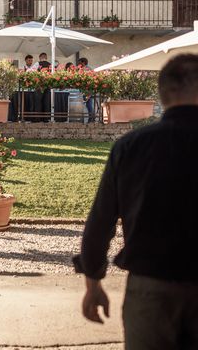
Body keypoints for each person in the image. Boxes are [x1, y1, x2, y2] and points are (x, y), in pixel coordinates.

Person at [74, 54, 198, 349]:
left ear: (162, 94)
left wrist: (93, 282)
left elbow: (100, 222)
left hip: (150, 288)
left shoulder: (131, 146)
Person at [77, 57, 95, 123]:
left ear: (83, 62)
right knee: (89, 103)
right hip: (89, 89)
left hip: (87, 89)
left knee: (89, 104)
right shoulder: (89, 68)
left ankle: (92, 118)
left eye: (80, 62)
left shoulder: (85, 69)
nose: (79, 64)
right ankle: (91, 118)